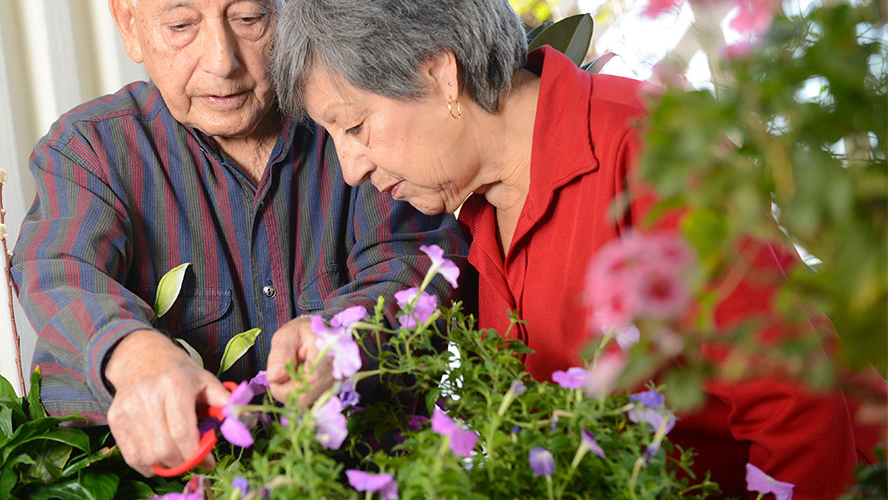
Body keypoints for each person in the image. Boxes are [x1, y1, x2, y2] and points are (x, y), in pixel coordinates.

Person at [270, 0, 885, 497]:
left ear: (440, 75)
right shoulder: (478, 210)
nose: (350, 168)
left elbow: (798, 411)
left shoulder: (647, 150)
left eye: (354, 128)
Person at [8, 0, 468, 477]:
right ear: (130, 25)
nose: (222, 61)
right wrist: (138, 358)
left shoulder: (354, 122)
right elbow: (60, 269)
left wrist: (341, 336)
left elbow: (413, 259)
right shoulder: (92, 149)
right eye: (181, 25)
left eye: (250, 18)